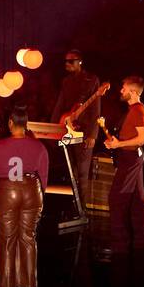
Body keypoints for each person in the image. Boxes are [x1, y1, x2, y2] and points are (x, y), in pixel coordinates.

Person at [0, 106, 49, 287]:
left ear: (10, 123)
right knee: (28, 238)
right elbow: (43, 176)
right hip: (31, 190)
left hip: (6, 192)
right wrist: (40, 196)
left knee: (8, 240)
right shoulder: (38, 146)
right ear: (26, 124)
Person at [51, 50, 101, 212]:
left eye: (70, 61)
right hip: (68, 128)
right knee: (70, 169)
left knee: (82, 171)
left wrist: (93, 134)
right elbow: (60, 104)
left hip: (85, 130)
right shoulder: (66, 81)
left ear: (80, 62)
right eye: (65, 61)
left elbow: (95, 109)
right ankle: (74, 203)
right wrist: (53, 127)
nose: (67, 64)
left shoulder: (91, 80)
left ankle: (83, 207)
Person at [104, 75, 144, 252]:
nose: (121, 91)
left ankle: (119, 243)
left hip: (131, 160)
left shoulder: (138, 111)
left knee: (116, 199)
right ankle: (141, 242)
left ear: (133, 91)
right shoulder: (133, 110)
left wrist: (119, 144)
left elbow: (142, 139)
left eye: (124, 88)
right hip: (131, 158)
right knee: (137, 201)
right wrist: (115, 142)